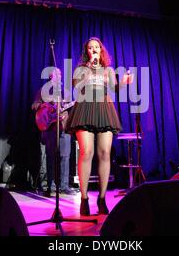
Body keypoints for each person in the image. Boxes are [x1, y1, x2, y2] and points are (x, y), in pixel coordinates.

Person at [65, 37, 134, 215]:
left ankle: (102, 199)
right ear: (86, 51)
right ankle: (84, 198)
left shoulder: (108, 70)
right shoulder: (81, 69)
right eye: (90, 47)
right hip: (85, 107)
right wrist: (89, 68)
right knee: (86, 152)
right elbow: (76, 86)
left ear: (101, 50)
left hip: (104, 108)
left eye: (97, 47)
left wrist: (124, 83)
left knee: (104, 153)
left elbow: (115, 88)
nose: (94, 50)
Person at [32, 68, 76, 196]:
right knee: (50, 156)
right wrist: (46, 106)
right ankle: (49, 186)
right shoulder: (44, 91)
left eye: (61, 74)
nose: (60, 76)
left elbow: (68, 108)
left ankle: (64, 186)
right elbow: (34, 105)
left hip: (64, 127)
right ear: (51, 77)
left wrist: (64, 114)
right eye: (57, 74)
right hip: (51, 128)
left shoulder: (65, 92)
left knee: (66, 156)